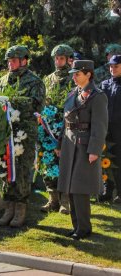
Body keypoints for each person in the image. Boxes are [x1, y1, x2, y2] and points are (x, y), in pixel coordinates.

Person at [0, 45, 46, 228]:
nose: (10, 64)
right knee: (5, 169)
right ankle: (9, 207)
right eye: (8, 60)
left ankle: (20, 209)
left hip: (24, 134)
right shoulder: (1, 81)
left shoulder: (35, 82)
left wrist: (12, 103)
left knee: (22, 171)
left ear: (24, 60)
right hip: (5, 134)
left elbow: (37, 106)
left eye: (13, 60)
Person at [57, 60, 108, 240]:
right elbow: (67, 120)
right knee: (70, 188)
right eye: (73, 73)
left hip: (85, 146)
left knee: (80, 188)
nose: (74, 77)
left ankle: (84, 228)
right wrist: (59, 145)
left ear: (88, 74)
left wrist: (95, 150)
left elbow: (100, 126)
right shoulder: (74, 93)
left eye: (77, 73)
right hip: (70, 144)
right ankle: (76, 226)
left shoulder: (98, 95)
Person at [40, 44, 75, 214]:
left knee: (65, 164)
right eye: (56, 58)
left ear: (69, 59)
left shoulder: (74, 78)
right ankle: (52, 199)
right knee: (49, 162)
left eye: (61, 58)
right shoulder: (48, 79)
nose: (58, 61)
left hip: (67, 127)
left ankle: (65, 201)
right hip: (49, 128)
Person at [99, 55, 121, 203]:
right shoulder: (104, 84)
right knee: (106, 159)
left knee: (119, 160)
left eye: (116, 66)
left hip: (120, 129)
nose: (112, 69)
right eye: (111, 66)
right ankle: (107, 190)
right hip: (106, 129)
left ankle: (120, 193)